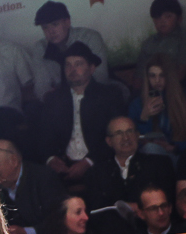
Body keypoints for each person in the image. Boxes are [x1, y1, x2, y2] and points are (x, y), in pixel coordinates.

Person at [33, 43, 128, 186]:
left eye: (78, 64)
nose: (72, 70)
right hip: (63, 166)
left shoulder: (109, 95)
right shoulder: (54, 99)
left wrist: (88, 161)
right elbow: (44, 137)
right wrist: (51, 159)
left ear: (91, 68)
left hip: (100, 164)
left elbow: (116, 136)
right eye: (68, 65)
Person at [82, 117, 177, 212]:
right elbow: (95, 210)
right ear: (109, 141)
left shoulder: (159, 164)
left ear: (137, 135)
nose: (126, 138)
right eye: (119, 133)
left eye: (130, 131)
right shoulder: (96, 172)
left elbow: (169, 204)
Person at [31, 2, 114, 96]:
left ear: (67, 22)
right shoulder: (40, 48)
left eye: (55, 24)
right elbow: (41, 89)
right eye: (45, 27)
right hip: (61, 102)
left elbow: (100, 78)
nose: (51, 31)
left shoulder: (89, 37)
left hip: (95, 95)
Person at [130, 54, 186, 156]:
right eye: (152, 76)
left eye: (162, 75)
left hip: (180, 154)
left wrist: (175, 147)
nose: (157, 80)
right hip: (151, 156)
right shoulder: (137, 104)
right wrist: (144, 118)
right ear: (147, 77)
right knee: (150, 148)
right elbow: (133, 141)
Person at [138, 0, 186, 80]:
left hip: (179, 88)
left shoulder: (185, 38)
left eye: (168, 16)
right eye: (157, 17)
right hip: (151, 88)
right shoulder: (148, 43)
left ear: (179, 19)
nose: (162, 21)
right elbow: (138, 76)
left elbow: (181, 72)